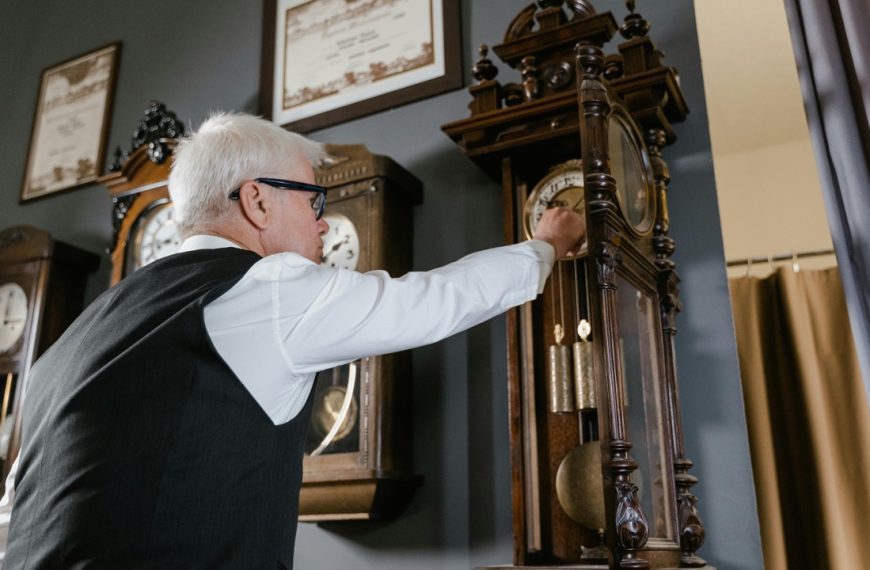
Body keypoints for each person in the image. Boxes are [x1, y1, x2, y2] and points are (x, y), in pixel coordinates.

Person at [3, 113, 585, 569]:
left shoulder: (77, 334)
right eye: (313, 200)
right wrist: (547, 245)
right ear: (257, 200)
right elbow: (433, 301)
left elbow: (15, 511)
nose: (322, 222)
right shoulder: (269, 287)